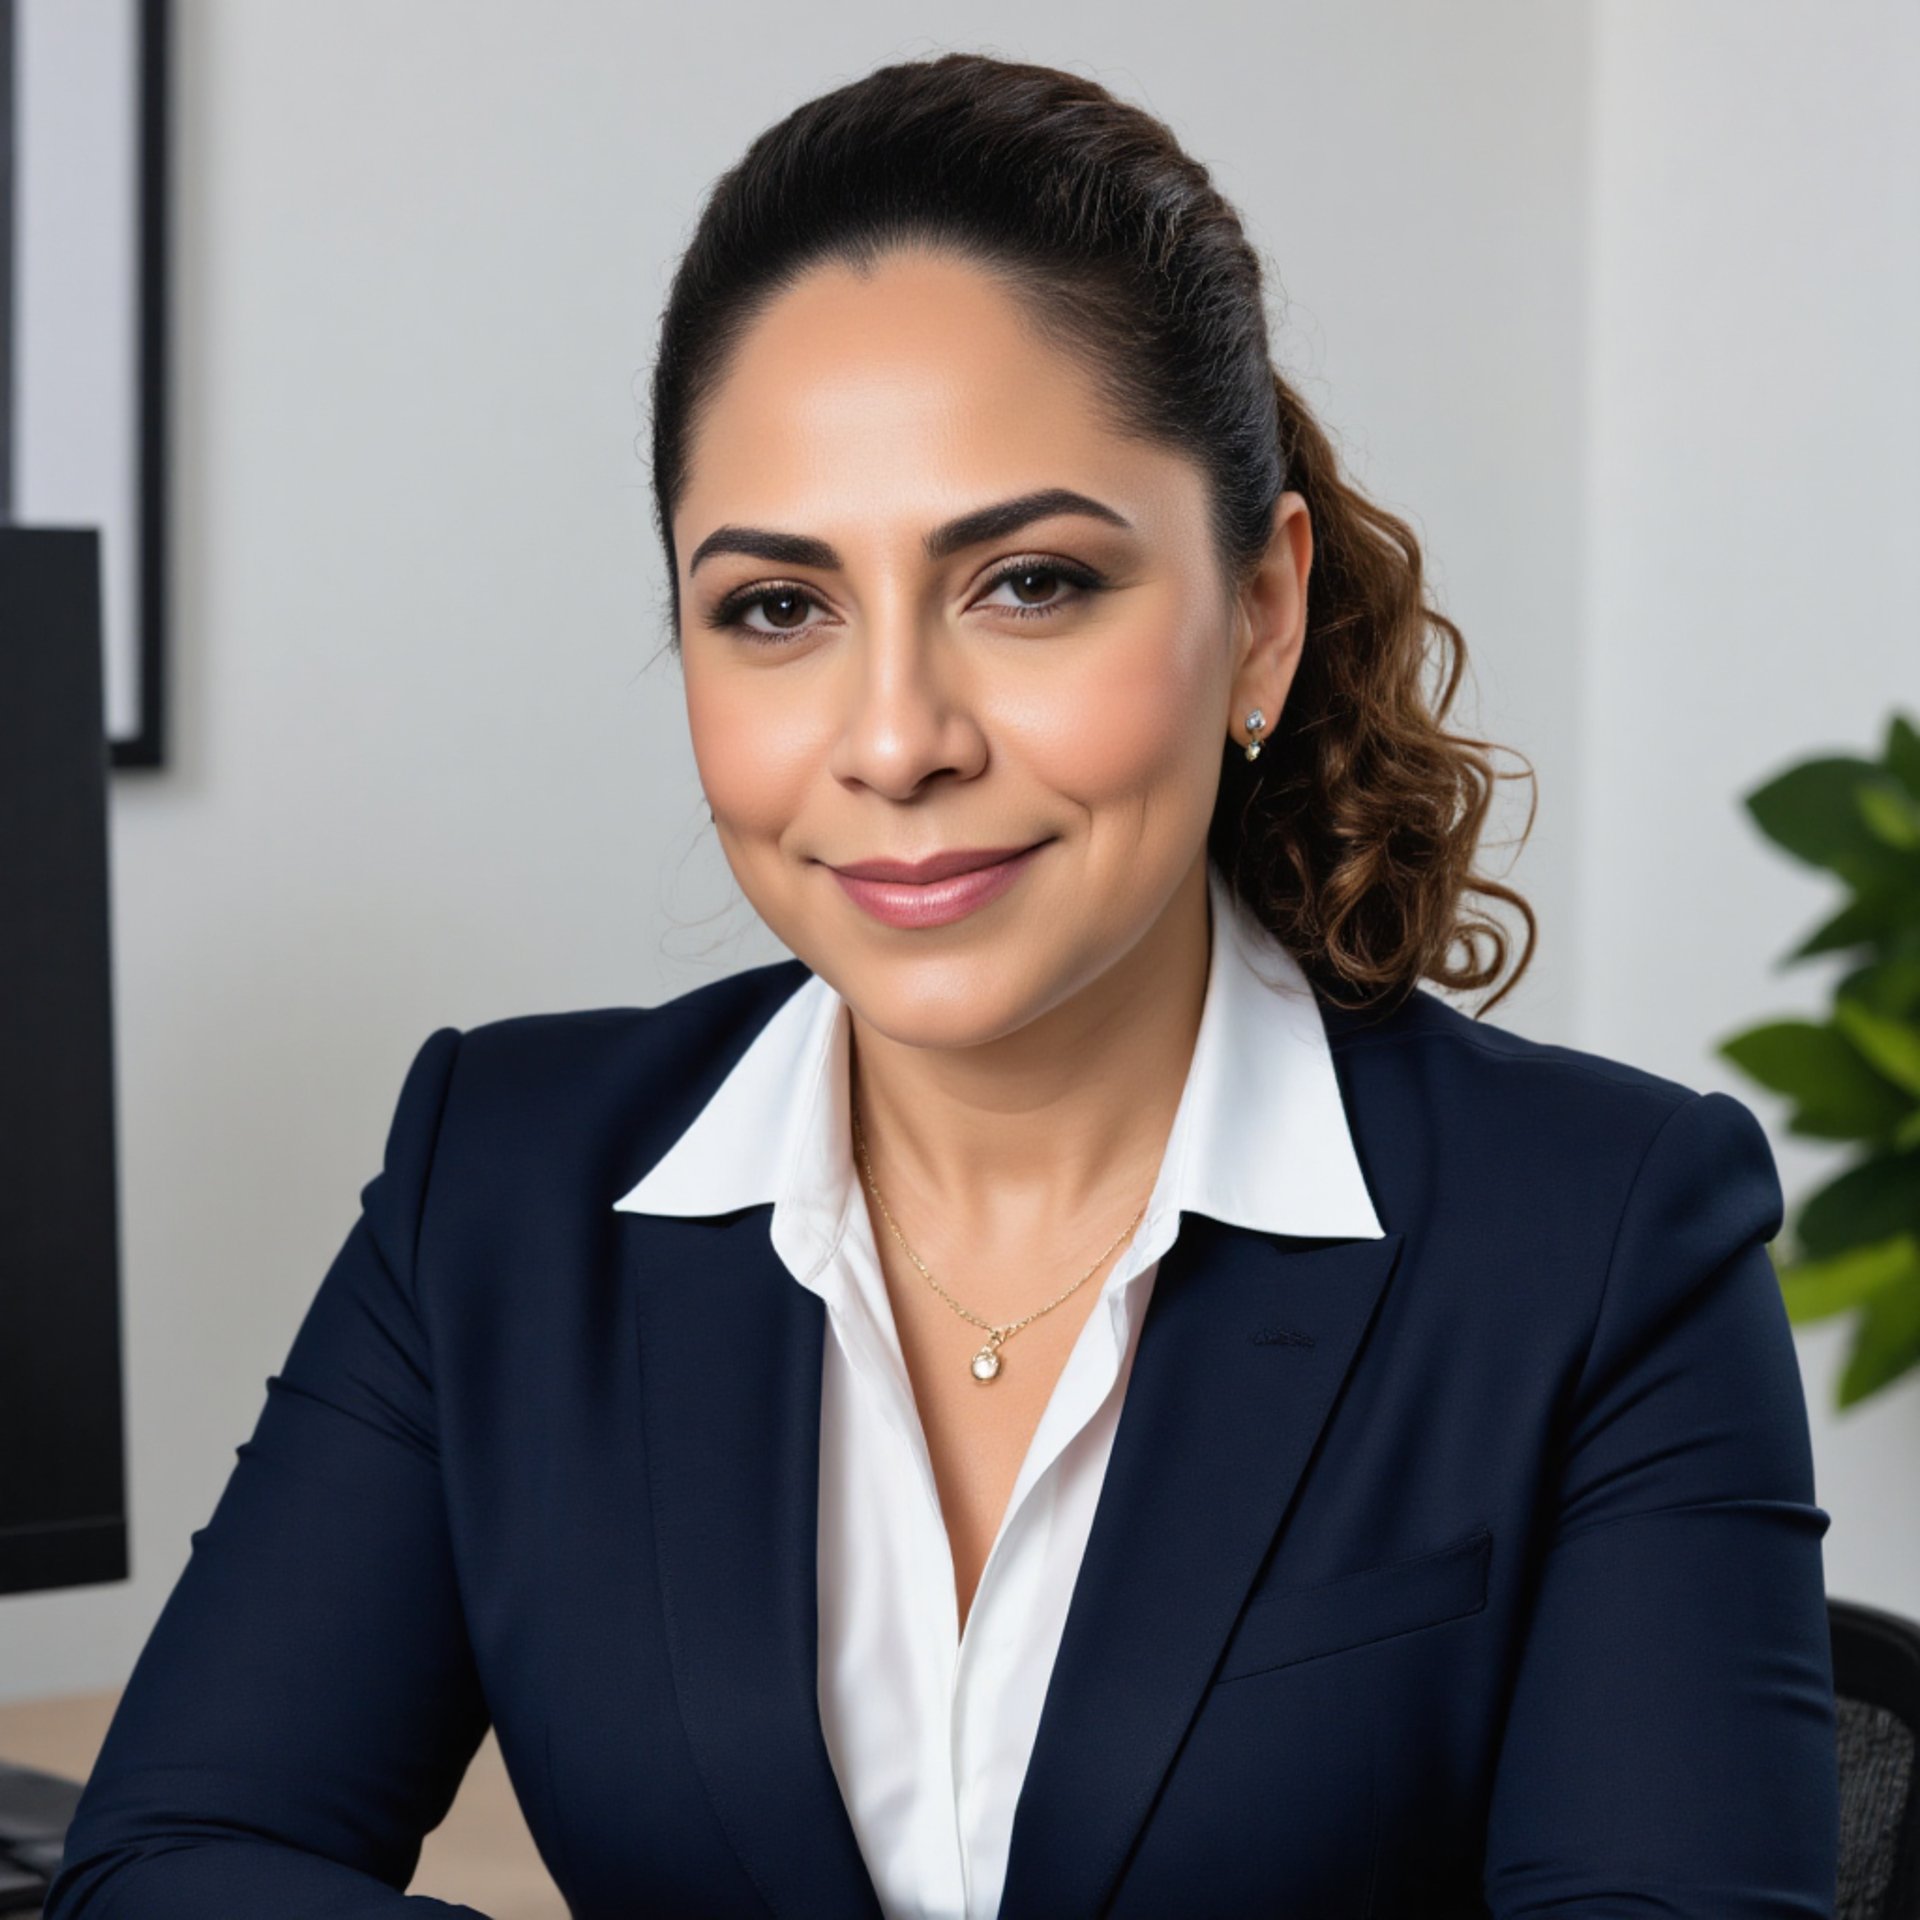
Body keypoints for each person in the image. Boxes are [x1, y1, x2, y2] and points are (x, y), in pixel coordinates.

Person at [46, 48, 1839, 1920]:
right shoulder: (498, 1185)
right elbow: (172, 1863)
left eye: (1030, 583)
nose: (896, 740)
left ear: (1262, 615)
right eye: (778, 608)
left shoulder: (1605, 1242)